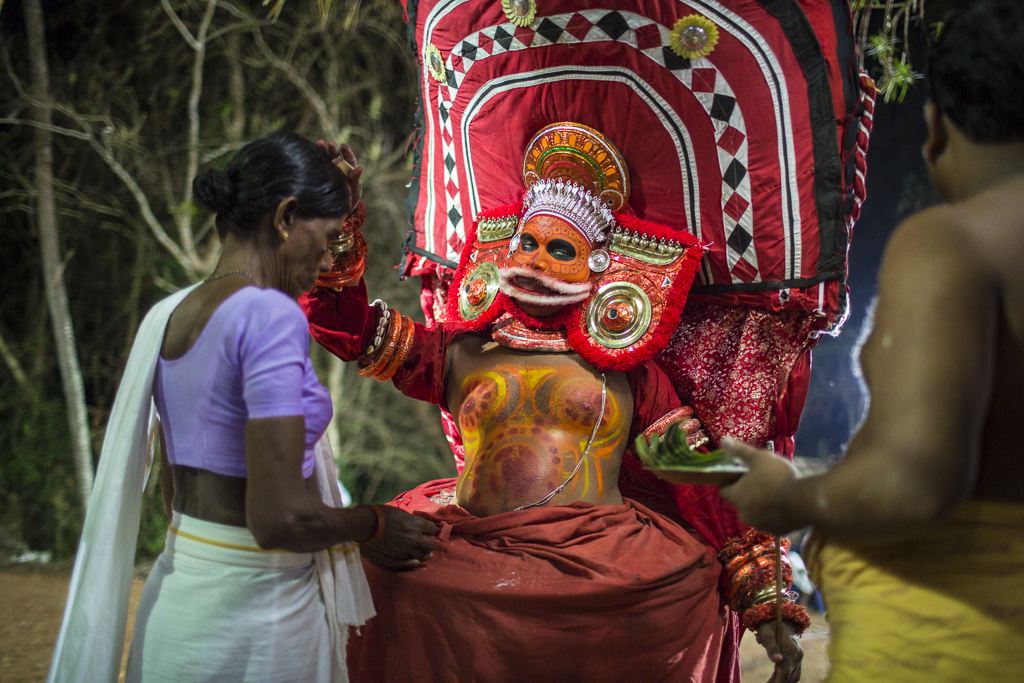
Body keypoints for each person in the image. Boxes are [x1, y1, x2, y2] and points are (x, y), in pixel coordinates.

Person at [302, 123, 808, 683]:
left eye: (558, 249)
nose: (536, 261)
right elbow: (344, 329)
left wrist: (768, 603)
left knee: (683, 589)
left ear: (597, 269)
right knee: (387, 579)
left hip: (598, 558)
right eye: (527, 244)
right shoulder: (457, 351)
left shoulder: (627, 370)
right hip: (473, 546)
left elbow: (697, 478)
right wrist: (337, 221)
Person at [48, 132, 437, 683]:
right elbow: (280, 519)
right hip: (257, 624)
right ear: (285, 217)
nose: (327, 259)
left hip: (179, 604)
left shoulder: (171, 313)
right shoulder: (268, 317)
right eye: (325, 239)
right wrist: (374, 524)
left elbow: (172, 493)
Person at [719, 2, 1024, 680]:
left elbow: (917, 482)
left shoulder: (955, 243)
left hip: (965, 644)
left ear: (938, 127)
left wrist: (790, 497)